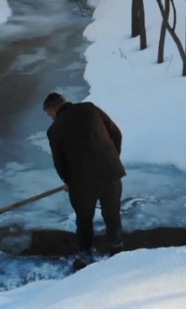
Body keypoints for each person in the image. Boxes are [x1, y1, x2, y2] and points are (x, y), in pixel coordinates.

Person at [43, 92, 126, 261]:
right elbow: (116, 134)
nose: (49, 117)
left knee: (84, 218)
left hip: (82, 182)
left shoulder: (54, 129)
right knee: (112, 215)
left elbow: (59, 161)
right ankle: (117, 252)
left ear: (52, 109)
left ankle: (86, 254)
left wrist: (67, 180)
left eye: (48, 113)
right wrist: (112, 159)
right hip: (110, 173)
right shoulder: (90, 108)